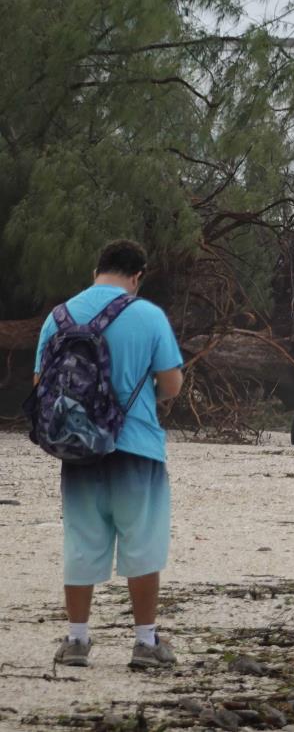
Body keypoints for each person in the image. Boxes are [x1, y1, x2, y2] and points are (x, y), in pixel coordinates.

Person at [34, 240, 184, 669]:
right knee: (142, 543)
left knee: (81, 542)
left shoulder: (58, 317)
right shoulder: (149, 315)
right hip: (136, 446)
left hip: (78, 450)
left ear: (96, 269)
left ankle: (77, 641)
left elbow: (40, 383)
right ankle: (145, 643)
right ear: (137, 276)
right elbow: (171, 385)